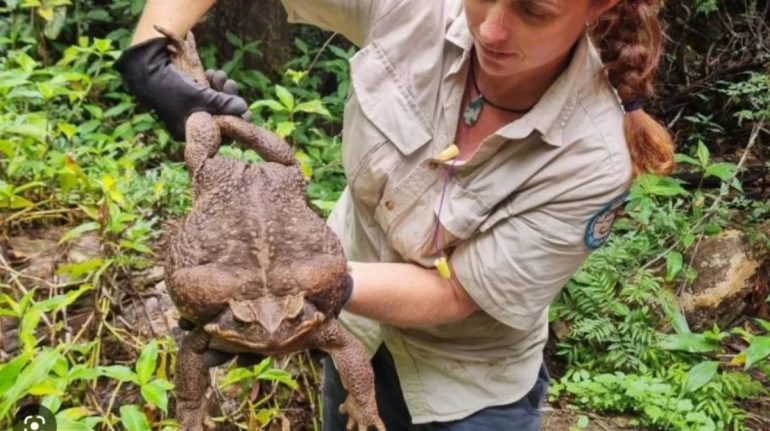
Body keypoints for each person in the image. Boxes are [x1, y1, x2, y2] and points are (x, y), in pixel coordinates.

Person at [115, 0, 675, 429]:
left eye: (533, 10)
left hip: (464, 391)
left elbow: (458, 294)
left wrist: (299, 286)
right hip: (351, 337)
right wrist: (150, 61)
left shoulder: (593, 158)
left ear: (599, 6)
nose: (493, 29)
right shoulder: (420, 9)